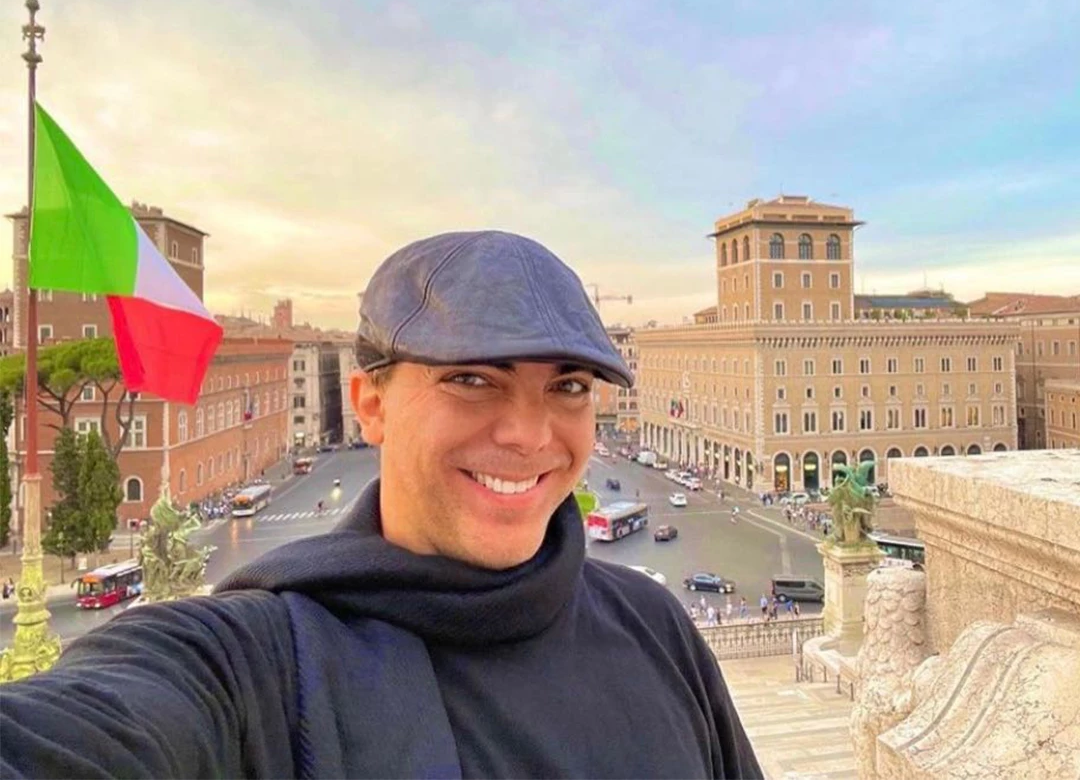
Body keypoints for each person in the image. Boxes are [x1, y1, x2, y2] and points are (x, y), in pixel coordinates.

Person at [0, 230, 761, 779]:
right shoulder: (253, 665)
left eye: (567, 387)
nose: (531, 435)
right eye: (473, 380)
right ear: (372, 405)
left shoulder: (654, 623)